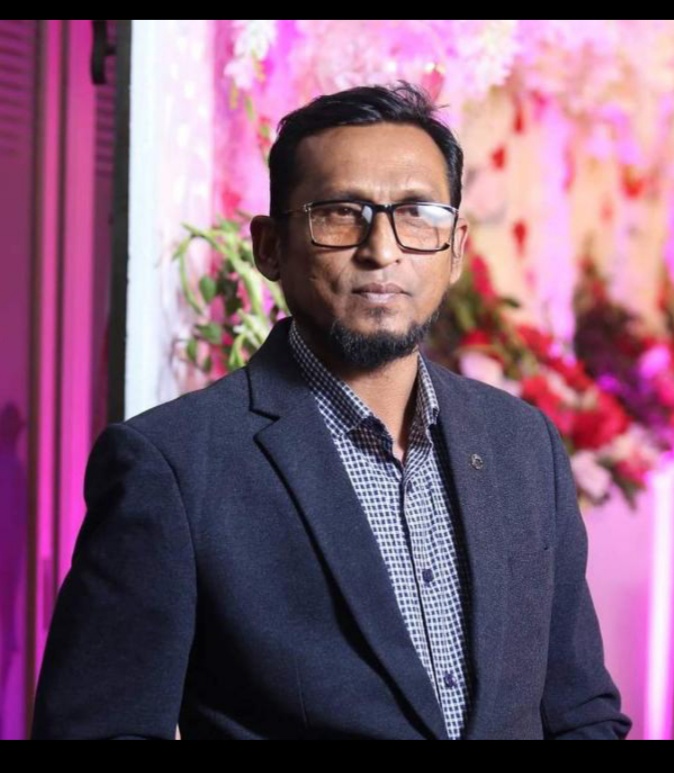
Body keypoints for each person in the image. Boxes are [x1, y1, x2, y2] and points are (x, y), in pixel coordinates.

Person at [31, 82, 631, 740]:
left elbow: (580, 713)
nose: (383, 250)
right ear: (270, 246)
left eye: (418, 214)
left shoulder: (522, 443)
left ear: (456, 246)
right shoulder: (174, 465)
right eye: (342, 214)